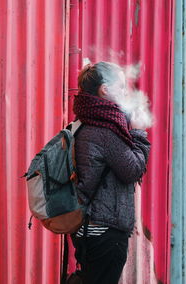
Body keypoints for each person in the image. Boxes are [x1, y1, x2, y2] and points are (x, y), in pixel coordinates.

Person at [70, 61, 151, 284]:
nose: (126, 92)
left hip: (88, 227)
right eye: (121, 87)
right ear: (105, 89)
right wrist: (138, 134)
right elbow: (133, 170)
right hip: (105, 230)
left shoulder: (85, 122)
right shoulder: (106, 131)